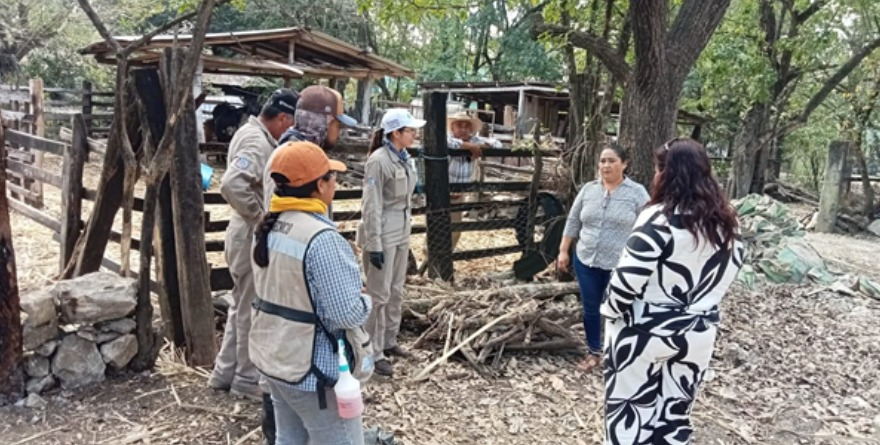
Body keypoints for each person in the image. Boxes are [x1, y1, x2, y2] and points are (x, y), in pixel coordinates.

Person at [601, 138, 744, 444]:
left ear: (666, 173)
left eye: (657, 169)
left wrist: (609, 313)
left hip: (643, 332)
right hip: (698, 333)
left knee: (628, 413)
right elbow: (730, 270)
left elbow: (627, 281)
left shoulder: (658, 219)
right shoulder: (727, 221)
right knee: (673, 415)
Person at [249, 141, 370, 445]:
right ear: (319, 185)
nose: (335, 182)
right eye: (331, 176)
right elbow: (345, 313)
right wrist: (365, 300)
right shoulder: (322, 238)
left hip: (275, 357)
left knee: (289, 439)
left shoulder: (269, 226)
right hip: (313, 370)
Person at [260, 85, 356, 444]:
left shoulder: (269, 227)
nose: (340, 131)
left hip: (278, 350)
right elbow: (344, 312)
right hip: (309, 360)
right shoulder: (297, 158)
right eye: (337, 123)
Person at [210, 88, 299, 399]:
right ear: (283, 117)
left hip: (244, 230)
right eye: (290, 123)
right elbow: (231, 184)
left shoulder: (254, 134)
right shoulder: (256, 141)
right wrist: (259, 218)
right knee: (251, 308)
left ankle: (224, 372)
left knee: (240, 305)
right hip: (250, 232)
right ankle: (246, 379)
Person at [556, 144, 649, 372]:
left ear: (624, 164)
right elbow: (573, 220)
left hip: (622, 265)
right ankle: (594, 352)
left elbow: (649, 226)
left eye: (612, 161)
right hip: (586, 259)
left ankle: (619, 354)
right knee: (590, 308)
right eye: (602, 161)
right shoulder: (589, 189)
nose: (605, 165)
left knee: (620, 309)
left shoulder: (636, 193)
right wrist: (564, 250)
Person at [358, 108, 425, 377]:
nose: (414, 134)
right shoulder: (379, 160)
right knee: (378, 293)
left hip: (402, 224)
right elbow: (371, 204)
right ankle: (372, 351)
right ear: (395, 133)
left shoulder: (405, 158)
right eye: (410, 130)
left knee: (396, 288)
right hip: (383, 228)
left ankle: (389, 340)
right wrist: (373, 243)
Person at [446, 111, 502, 249]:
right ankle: (429, 260)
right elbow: (449, 143)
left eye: (466, 126)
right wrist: (470, 147)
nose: (463, 129)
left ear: (471, 130)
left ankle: (444, 259)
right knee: (436, 226)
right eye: (459, 126)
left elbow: (497, 144)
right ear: (452, 128)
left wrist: (478, 146)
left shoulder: (475, 140)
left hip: (458, 194)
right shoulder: (447, 139)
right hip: (441, 191)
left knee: (455, 230)